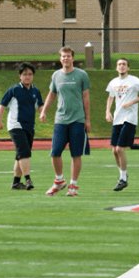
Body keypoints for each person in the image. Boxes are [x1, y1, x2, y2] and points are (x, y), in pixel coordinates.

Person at [39, 46, 91, 197]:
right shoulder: (56, 75)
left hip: (77, 119)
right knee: (55, 152)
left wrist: (87, 119)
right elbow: (52, 94)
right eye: (63, 56)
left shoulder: (82, 75)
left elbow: (86, 98)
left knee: (76, 154)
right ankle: (59, 181)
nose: (65, 58)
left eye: (68, 56)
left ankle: (73, 185)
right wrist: (44, 111)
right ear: (60, 58)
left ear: (72, 58)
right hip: (60, 119)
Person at [105, 58, 139, 191]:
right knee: (114, 150)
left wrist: (132, 102)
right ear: (116, 68)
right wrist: (108, 112)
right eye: (119, 64)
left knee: (120, 149)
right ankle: (123, 175)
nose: (121, 66)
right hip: (117, 118)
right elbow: (110, 97)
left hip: (129, 118)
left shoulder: (134, 80)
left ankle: (123, 179)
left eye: (124, 64)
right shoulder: (113, 82)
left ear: (128, 67)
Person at [0, 62, 43, 191]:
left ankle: (16, 183)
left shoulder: (35, 91)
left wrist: (43, 113)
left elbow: (40, 106)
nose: (27, 77)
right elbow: (2, 105)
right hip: (15, 126)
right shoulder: (14, 90)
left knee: (20, 154)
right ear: (20, 76)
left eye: (30, 74)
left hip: (29, 127)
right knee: (25, 152)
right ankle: (28, 179)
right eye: (24, 74)